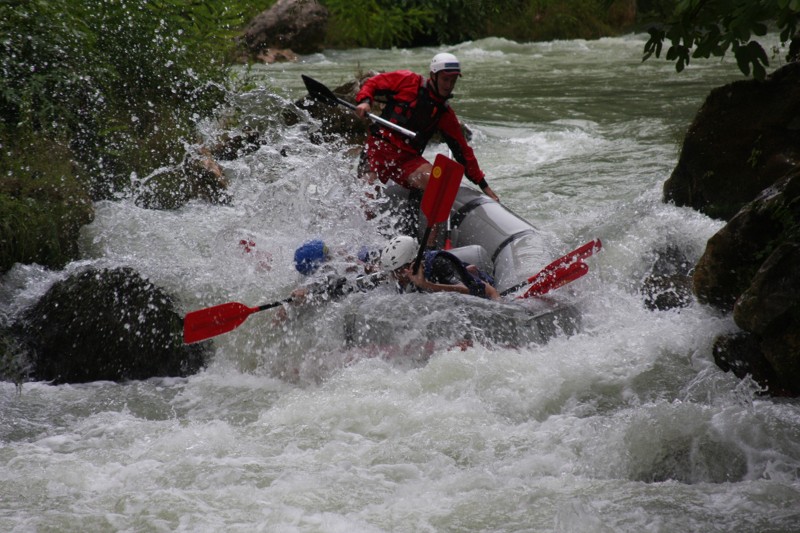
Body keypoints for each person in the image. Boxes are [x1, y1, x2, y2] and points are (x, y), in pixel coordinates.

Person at [354, 53, 500, 204]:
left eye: (453, 81)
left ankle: (429, 227)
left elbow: (463, 152)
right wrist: (365, 101)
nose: (449, 85)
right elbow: (373, 83)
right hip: (378, 150)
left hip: (407, 160)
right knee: (367, 199)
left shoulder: (444, 114)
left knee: (438, 183)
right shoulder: (408, 81)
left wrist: (484, 186)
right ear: (433, 76)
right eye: (445, 79)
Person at [381, 235, 500, 300]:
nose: (395, 277)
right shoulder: (401, 275)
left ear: (412, 262)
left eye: (398, 271)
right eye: (392, 272)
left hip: (486, 291)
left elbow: (467, 290)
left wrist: (426, 285)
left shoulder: (438, 264)